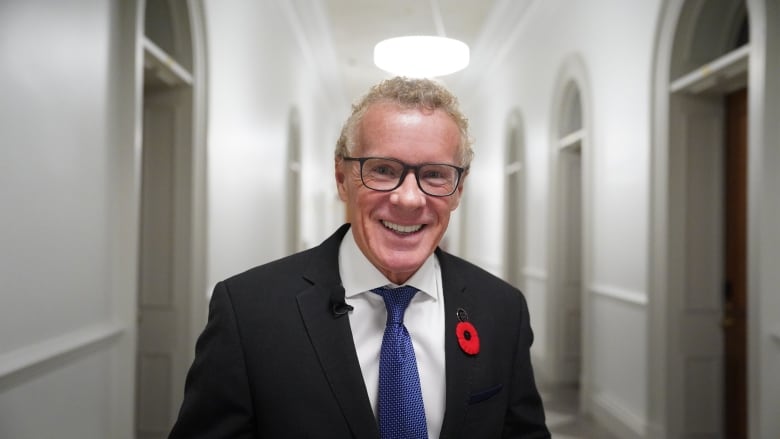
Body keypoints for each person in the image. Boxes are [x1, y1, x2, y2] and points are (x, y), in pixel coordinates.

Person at [169, 77, 550, 438]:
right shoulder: (248, 313)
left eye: (434, 174)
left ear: (458, 190)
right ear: (341, 178)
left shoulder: (502, 310)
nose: (408, 199)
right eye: (383, 170)